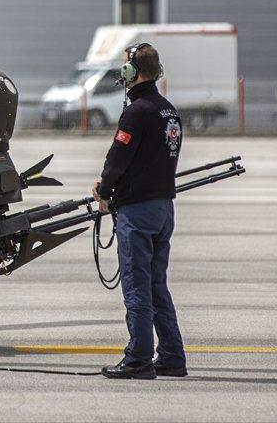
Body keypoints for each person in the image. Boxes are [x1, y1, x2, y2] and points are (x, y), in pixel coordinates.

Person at [92, 42, 188, 380]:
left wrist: (105, 192)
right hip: (164, 209)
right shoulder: (168, 111)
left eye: (124, 68)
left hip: (139, 212)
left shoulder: (137, 111)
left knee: (136, 286)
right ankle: (173, 357)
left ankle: (139, 359)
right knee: (157, 285)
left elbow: (118, 158)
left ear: (131, 72)